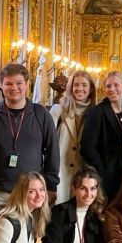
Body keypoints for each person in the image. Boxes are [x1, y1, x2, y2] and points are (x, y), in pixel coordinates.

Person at [0, 63, 58, 206]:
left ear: (27, 84)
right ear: (1, 85)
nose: (14, 88)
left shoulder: (41, 114)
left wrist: (51, 187)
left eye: (19, 83)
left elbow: (52, 152)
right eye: (8, 83)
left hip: (30, 194)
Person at [79, 71, 122, 201]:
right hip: (106, 176)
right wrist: (102, 171)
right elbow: (87, 147)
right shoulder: (96, 112)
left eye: (116, 85)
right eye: (108, 86)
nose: (112, 89)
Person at [50, 70, 95, 203]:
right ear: (70, 87)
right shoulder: (58, 110)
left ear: (91, 89)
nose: (79, 88)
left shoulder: (94, 114)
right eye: (76, 85)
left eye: (84, 85)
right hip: (59, 175)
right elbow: (47, 143)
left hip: (81, 175)